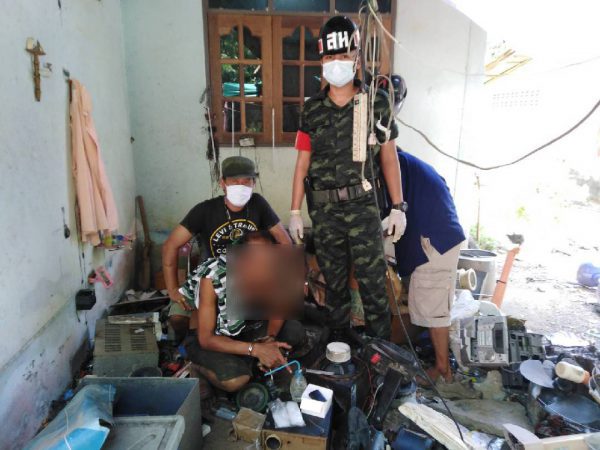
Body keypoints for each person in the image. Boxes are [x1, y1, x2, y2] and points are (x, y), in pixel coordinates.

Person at [288, 16, 406, 340]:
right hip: (325, 212)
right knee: (334, 286)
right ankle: (339, 351)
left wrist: (398, 207)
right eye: (330, 57)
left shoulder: (376, 103)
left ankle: (380, 352)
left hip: (364, 206)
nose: (336, 63)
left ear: (356, 58)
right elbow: (302, 164)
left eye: (343, 56)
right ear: (321, 60)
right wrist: (295, 211)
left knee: (373, 285)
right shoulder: (311, 110)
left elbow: (389, 157)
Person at [162, 156, 291, 342]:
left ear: (254, 183)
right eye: (234, 181)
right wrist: (172, 289)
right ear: (222, 183)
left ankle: (256, 341)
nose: (241, 186)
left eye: (246, 181)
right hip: (212, 278)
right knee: (178, 318)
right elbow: (170, 245)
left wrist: (290, 277)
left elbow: (284, 241)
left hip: (249, 277)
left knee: (285, 313)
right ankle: (187, 345)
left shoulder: (258, 204)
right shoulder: (204, 210)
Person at [184, 231, 304, 392]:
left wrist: (269, 339)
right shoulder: (213, 278)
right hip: (208, 338)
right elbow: (206, 339)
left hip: (244, 327)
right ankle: (197, 367)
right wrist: (255, 349)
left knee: (294, 330)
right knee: (236, 381)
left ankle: (252, 360)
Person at [386, 147, 466, 383]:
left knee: (434, 309)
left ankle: (443, 371)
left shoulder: (394, 166)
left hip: (434, 240)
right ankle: (441, 367)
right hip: (438, 234)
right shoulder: (408, 163)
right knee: (430, 305)